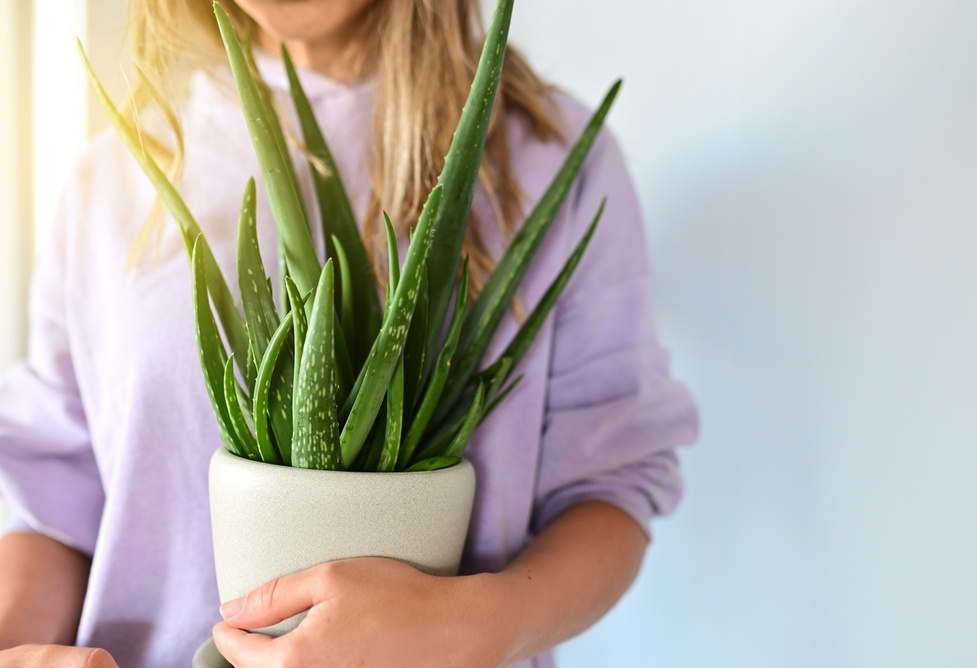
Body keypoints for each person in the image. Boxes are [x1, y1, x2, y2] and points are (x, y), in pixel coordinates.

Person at [0, 0, 698, 665]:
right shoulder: (117, 176)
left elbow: (610, 484)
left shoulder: (548, 162)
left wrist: (473, 630)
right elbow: (60, 506)